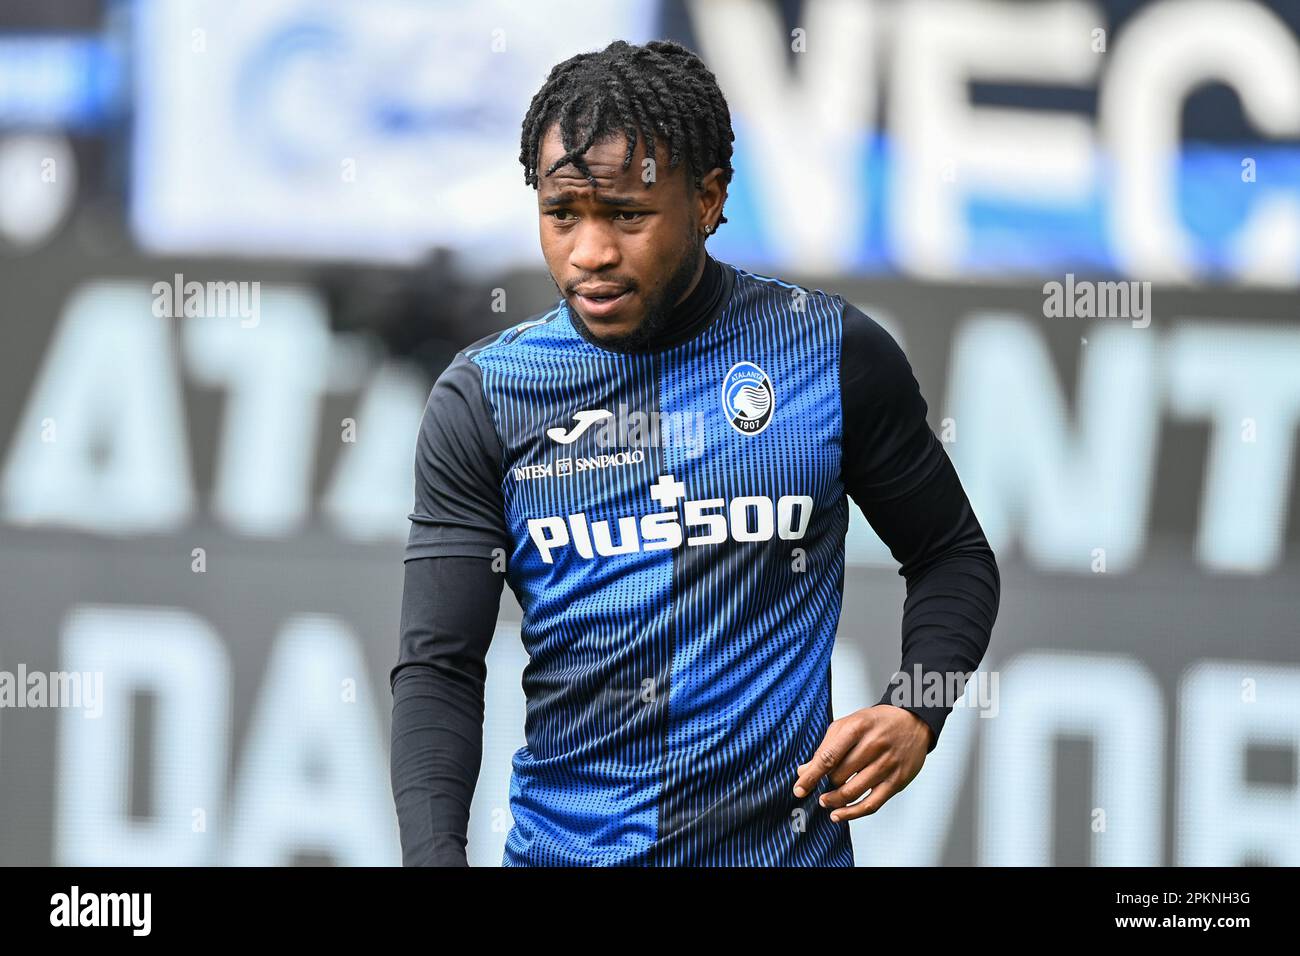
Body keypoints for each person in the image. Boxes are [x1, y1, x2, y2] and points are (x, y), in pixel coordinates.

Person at [389, 38, 1000, 867]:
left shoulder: (830, 355)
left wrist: (916, 708)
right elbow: (439, 668)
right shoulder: (486, 398)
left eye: (628, 216)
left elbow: (952, 554)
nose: (591, 253)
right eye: (562, 214)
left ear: (709, 200)